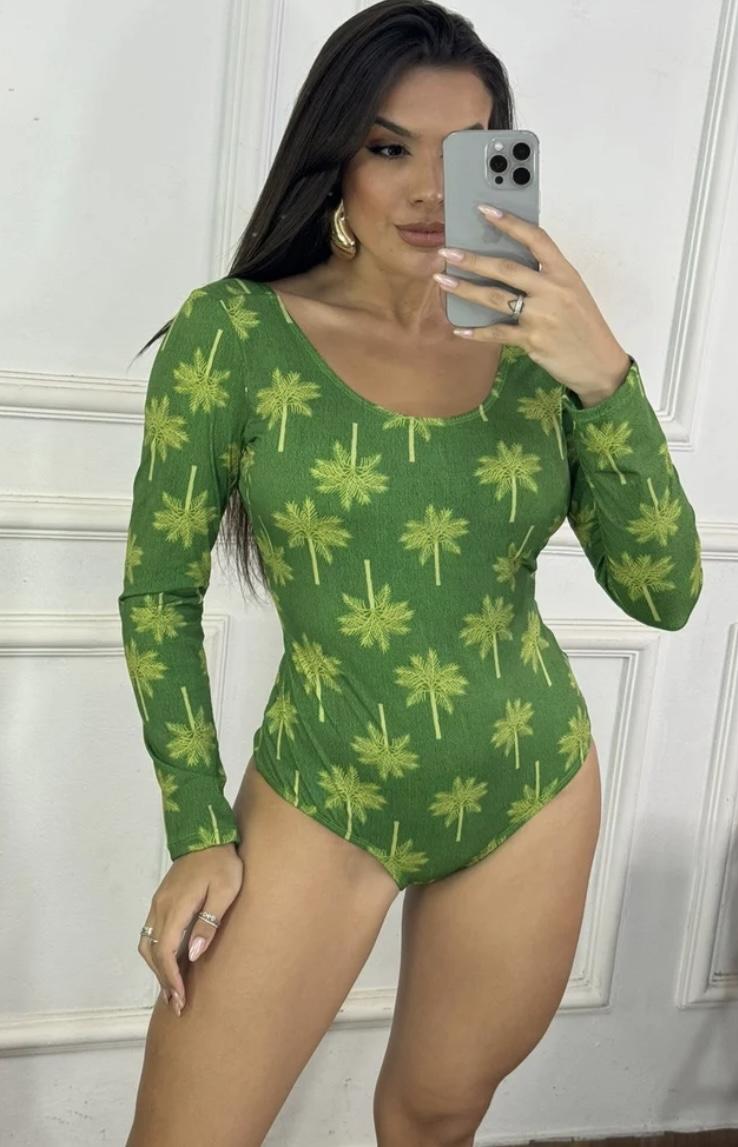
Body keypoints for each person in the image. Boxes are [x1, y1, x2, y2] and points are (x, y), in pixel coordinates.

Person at [118, 2, 703, 1144]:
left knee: (433, 1117)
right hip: (323, 787)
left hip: (528, 785)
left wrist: (603, 376)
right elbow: (160, 592)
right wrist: (196, 826)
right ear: (334, 158)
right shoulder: (233, 334)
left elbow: (665, 591)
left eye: (467, 152)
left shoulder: (541, 349)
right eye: (390, 148)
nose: (432, 191)